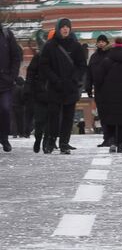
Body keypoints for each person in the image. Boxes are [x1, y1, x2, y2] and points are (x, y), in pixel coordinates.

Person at [37, 19, 86, 154]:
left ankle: (64, 143)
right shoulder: (50, 46)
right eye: (63, 27)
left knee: (68, 117)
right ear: (58, 29)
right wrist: (54, 79)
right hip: (55, 87)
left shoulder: (75, 46)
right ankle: (51, 141)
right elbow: (44, 65)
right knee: (53, 116)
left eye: (67, 27)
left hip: (70, 86)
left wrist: (75, 79)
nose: (65, 29)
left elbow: (82, 65)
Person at [92, 35, 122, 153]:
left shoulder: (106, 61)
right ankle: (120, 144)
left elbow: (98, 79)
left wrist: (99, 93)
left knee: (110, 120)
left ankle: (112, 141)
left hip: (108, 96)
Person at [87, 33, 112, 147]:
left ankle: (113, 137)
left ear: (107, 43)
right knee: (102, 114)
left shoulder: (111, 54)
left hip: (111, 88)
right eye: (99, 41)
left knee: (111, 113)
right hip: (99, 89)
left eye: (103, 41)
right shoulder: (94, 57)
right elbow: (89, 73)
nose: (101, 43)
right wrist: (88, 86)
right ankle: (107, 138)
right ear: (97, 43)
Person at [0, 22, 22, 152]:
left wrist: (12, 75)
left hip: (5, 81)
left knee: (5, 109)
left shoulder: (6, 34)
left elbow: (16, 56)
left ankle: (4, 137)